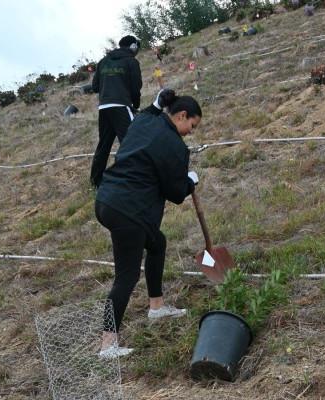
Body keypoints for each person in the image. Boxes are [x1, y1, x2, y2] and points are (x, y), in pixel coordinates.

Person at [95, 89, 202, 358]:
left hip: (107, 200)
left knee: (157, 243)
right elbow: (176, 193)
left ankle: (156, 306)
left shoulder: (144, 122)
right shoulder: (175, 146)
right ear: (181, 115)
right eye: (192, 125)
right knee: (126, 276)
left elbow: (147, 113)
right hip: (128, 213)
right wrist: (191, 181)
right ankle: (107, 344)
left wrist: (156, 103)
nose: (191, 131)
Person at [90, 35, 143, 188]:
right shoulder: (131, 61)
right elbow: (136, 87)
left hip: (104, 108)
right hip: (121, 106)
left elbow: (95, 87)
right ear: (133, 46)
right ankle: (133, 177)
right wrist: (136, 105)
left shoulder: (103, 62)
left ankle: (95, 181)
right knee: (131, 143)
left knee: (104, 145)